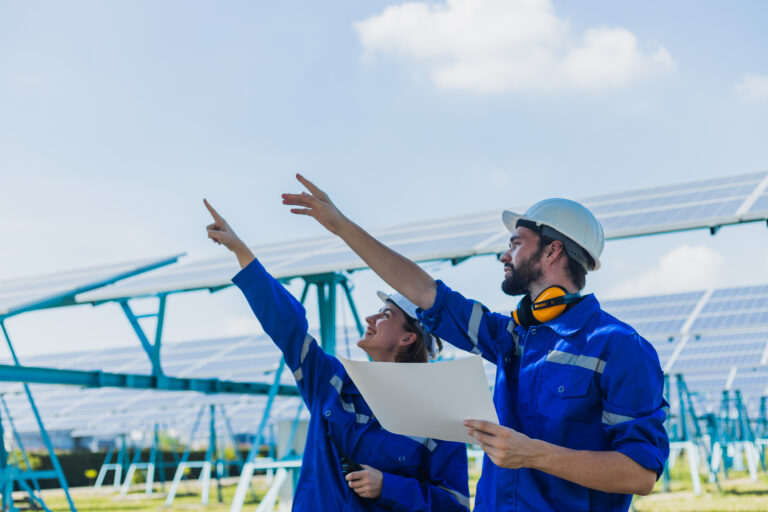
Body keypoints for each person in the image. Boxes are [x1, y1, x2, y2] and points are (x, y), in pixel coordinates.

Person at [281, 175, 670, 512]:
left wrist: (534, 454)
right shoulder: (510, 337)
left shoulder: (619, 347)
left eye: (516, 243)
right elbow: (424, 292)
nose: (504, 255)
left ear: (552, 250)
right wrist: (342, 227)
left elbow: (640, 474)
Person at [203, 199, 470, 512]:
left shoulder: (439, 420)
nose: (370, 319)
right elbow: (287, 326)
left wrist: (388, 487)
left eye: (385, 314)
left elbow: (454, 505)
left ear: (408, 337)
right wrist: (240, 251)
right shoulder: (330, 381)